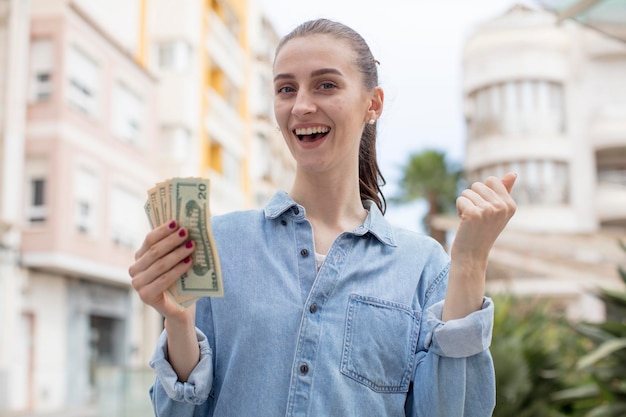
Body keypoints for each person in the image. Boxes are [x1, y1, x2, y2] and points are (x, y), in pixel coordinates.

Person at [129, 18, 517, 417]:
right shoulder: (220, 246)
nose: (301, 106)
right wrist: (176, 322)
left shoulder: (424, 267)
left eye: (326, 85)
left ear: (373, 103)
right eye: (286, 89)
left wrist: (469, 263)